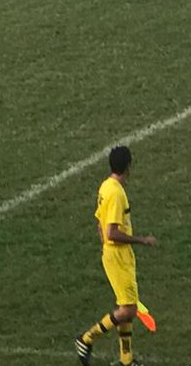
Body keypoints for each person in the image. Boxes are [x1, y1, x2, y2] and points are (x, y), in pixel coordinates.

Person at [76, 145, 157, 366]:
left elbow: (100, 224)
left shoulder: (105, 187)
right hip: (119, 257)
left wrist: (106, 246)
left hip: (116, 255)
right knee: (128, 309)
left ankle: (126, 360)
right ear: (128, 167)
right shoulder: (116, 193)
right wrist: (141, 240)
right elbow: (112, 232)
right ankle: (86, 338)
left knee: (126, 307)